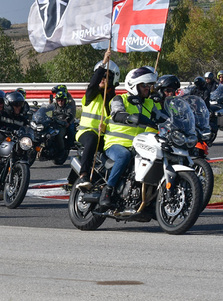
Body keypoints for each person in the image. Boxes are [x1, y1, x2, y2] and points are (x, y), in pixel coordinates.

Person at [100, 67, 160, 209]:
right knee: (124, 155)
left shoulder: (150, 103)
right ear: (134, 85)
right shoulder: (120, 99)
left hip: (139, 145)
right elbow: (116, 113)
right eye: (144, 85)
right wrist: (129, 117)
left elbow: (162, 116)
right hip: (115, 144)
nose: (148, 88)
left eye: (150, 85)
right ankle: (107, 190)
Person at [72, 58, 120, 190]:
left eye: (106, 76)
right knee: (92, 138)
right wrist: (103, 65)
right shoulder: (91, 94)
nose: (102, 79)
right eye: (101, 76)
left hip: (104, 136)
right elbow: (92, 84)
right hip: (86, 132)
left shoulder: (114, 100)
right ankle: (84, 174)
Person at [51, 85, 77, 156]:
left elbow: (71, 113)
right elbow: (49, 109)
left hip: (66, 120)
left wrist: (68, 121)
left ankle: (70, 144)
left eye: (61, 100)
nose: (60, 101)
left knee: (71, 129)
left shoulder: (70, 101)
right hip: (57, 121)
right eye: (58, 100)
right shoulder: (56, 102)